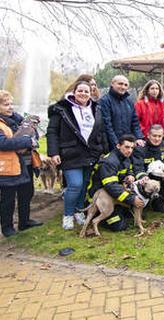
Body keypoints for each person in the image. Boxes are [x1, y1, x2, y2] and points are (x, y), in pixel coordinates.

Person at [47, 81, 108, 230]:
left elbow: (101, 131)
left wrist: (104, 149)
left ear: (91, 93)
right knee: (75, 184)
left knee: (84, 185)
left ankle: (78, 211)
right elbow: (52, 132)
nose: (83, 94)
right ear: (74, 92)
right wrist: (53, 152)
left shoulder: (96, 108)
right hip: (70, 153)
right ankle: (67, 215)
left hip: (91, 153)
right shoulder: (61, 109)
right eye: (80, 90)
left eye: (86, 91)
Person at [0, 90, 42, 237]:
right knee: (8, 199)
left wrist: (33, 133)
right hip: (8, 167)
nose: (10, 107)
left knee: (27, 193)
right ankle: (7, 227)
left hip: (26, 162)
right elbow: (3, 143)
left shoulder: (18, 119)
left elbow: (34, 135)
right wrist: (27, 141)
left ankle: (24, 221)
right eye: (6, 105)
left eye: (11, 104)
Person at [87, 135, 145, 232]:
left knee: (138, 215)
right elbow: (111, 186)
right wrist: (131, 199)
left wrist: (130, 175)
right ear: (118, 146)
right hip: (99, 198)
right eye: (127, 147)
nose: (130, 150)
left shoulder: (125, 157)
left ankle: (118, 211)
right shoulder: (109, 161)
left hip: (114, 196)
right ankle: (100, 218)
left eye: (132, 148)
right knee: (119, 226)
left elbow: (128, 170)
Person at [132, 125, 164, 212]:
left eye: (159, 136)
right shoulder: (140, 148)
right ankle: (144, 201)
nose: (157, 139)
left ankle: (159, 200)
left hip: (163, 177)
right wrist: (143, 177)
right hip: (147, 179)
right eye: (154, 136)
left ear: (163, 136)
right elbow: (137, 168)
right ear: (148, 135)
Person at [99, 75, 144, 150]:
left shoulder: (129, 101)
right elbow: (107, 125)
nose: (123, 87)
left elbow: (135, 122)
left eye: (126, 85)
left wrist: (139, 137)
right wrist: (116, 144)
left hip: (128, 145)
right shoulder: (105, 101)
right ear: (112, 84)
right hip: (112, 145)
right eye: (120, 84)